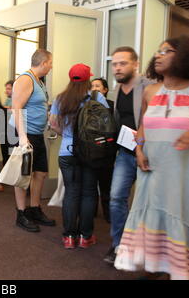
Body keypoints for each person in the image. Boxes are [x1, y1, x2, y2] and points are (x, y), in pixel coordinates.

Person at [114, 36, 189, 280]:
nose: (158, 55)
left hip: (186, 174)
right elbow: (142, 127)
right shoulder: (151, 91)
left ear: (185, 56)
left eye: (167, 51)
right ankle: (155, 265)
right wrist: (139, 148)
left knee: (183, 214)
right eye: (158, 51)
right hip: (153, 170)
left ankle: (181, 270)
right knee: (154, 216)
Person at [103, 46, 154, 264]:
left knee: (146, 204)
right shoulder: (116, 88)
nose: (118, 67)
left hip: (148, 154)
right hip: (124, 154)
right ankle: (119, 245)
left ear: (135, 64)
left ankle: (147, 253)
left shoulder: (149, 87)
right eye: (114, 64)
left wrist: (142, 147)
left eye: (123, 63)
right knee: (116, 198)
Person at [50, 64, 110, 249]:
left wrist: (67, 135)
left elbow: (53, 124)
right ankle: (85, 237)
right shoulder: (96, 96)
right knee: (89, 193)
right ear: (88, 79)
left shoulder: (61, 98)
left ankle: (69, 237)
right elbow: (106, 122)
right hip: (90, 153)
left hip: (67, 152)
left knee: (71, 192)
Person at [9, 49, 56, 232]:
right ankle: (21, 214)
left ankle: (34, 209)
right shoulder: (25, 79)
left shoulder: (39, 82)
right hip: (25, 134)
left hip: (36, 134)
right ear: (43, 62)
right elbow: (16, 107)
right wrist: (22, 137)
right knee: (23, 176)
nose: (52, 66)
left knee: (40, 173)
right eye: (50, 63)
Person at [91, 77, 114, 223]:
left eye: (98, 86)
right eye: (92, 86)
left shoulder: (112, 106)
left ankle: (108, 214)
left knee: (106, 185)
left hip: (107, 151)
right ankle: (91, 212)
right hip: (91, 150)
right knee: (91, 185)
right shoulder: (87, 105)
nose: (94, 89)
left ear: (105, 90)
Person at [0, 80, 14, 166]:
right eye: (6, 89)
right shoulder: (8, 99)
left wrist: (2, 107)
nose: (6, 91)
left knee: (11, 155)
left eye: (9, 89)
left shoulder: (17, 99)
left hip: (12, 132)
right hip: (4, 130)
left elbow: (12, 109)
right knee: (5, 154)